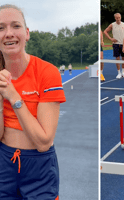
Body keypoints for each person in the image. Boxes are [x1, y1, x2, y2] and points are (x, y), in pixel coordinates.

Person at [0, 4, 66, 199]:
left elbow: (43, 142)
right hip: (4, 163)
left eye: (16, 26)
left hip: (39, 167)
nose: (9, 33)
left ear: (27, 33)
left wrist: (13, 97)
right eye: (1, 28)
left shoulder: (47, 72)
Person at [104, 13, 124, 79]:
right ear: (115, 18)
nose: (118, 19)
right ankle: (119, 73)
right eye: (117, 18)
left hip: (123, 44)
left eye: (119, 17)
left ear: (121, 17)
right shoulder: (112, 25)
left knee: (123, 58)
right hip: (116, 44)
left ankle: (123, 72)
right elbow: (105, 31)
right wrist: (111, 39)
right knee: (117, 59)